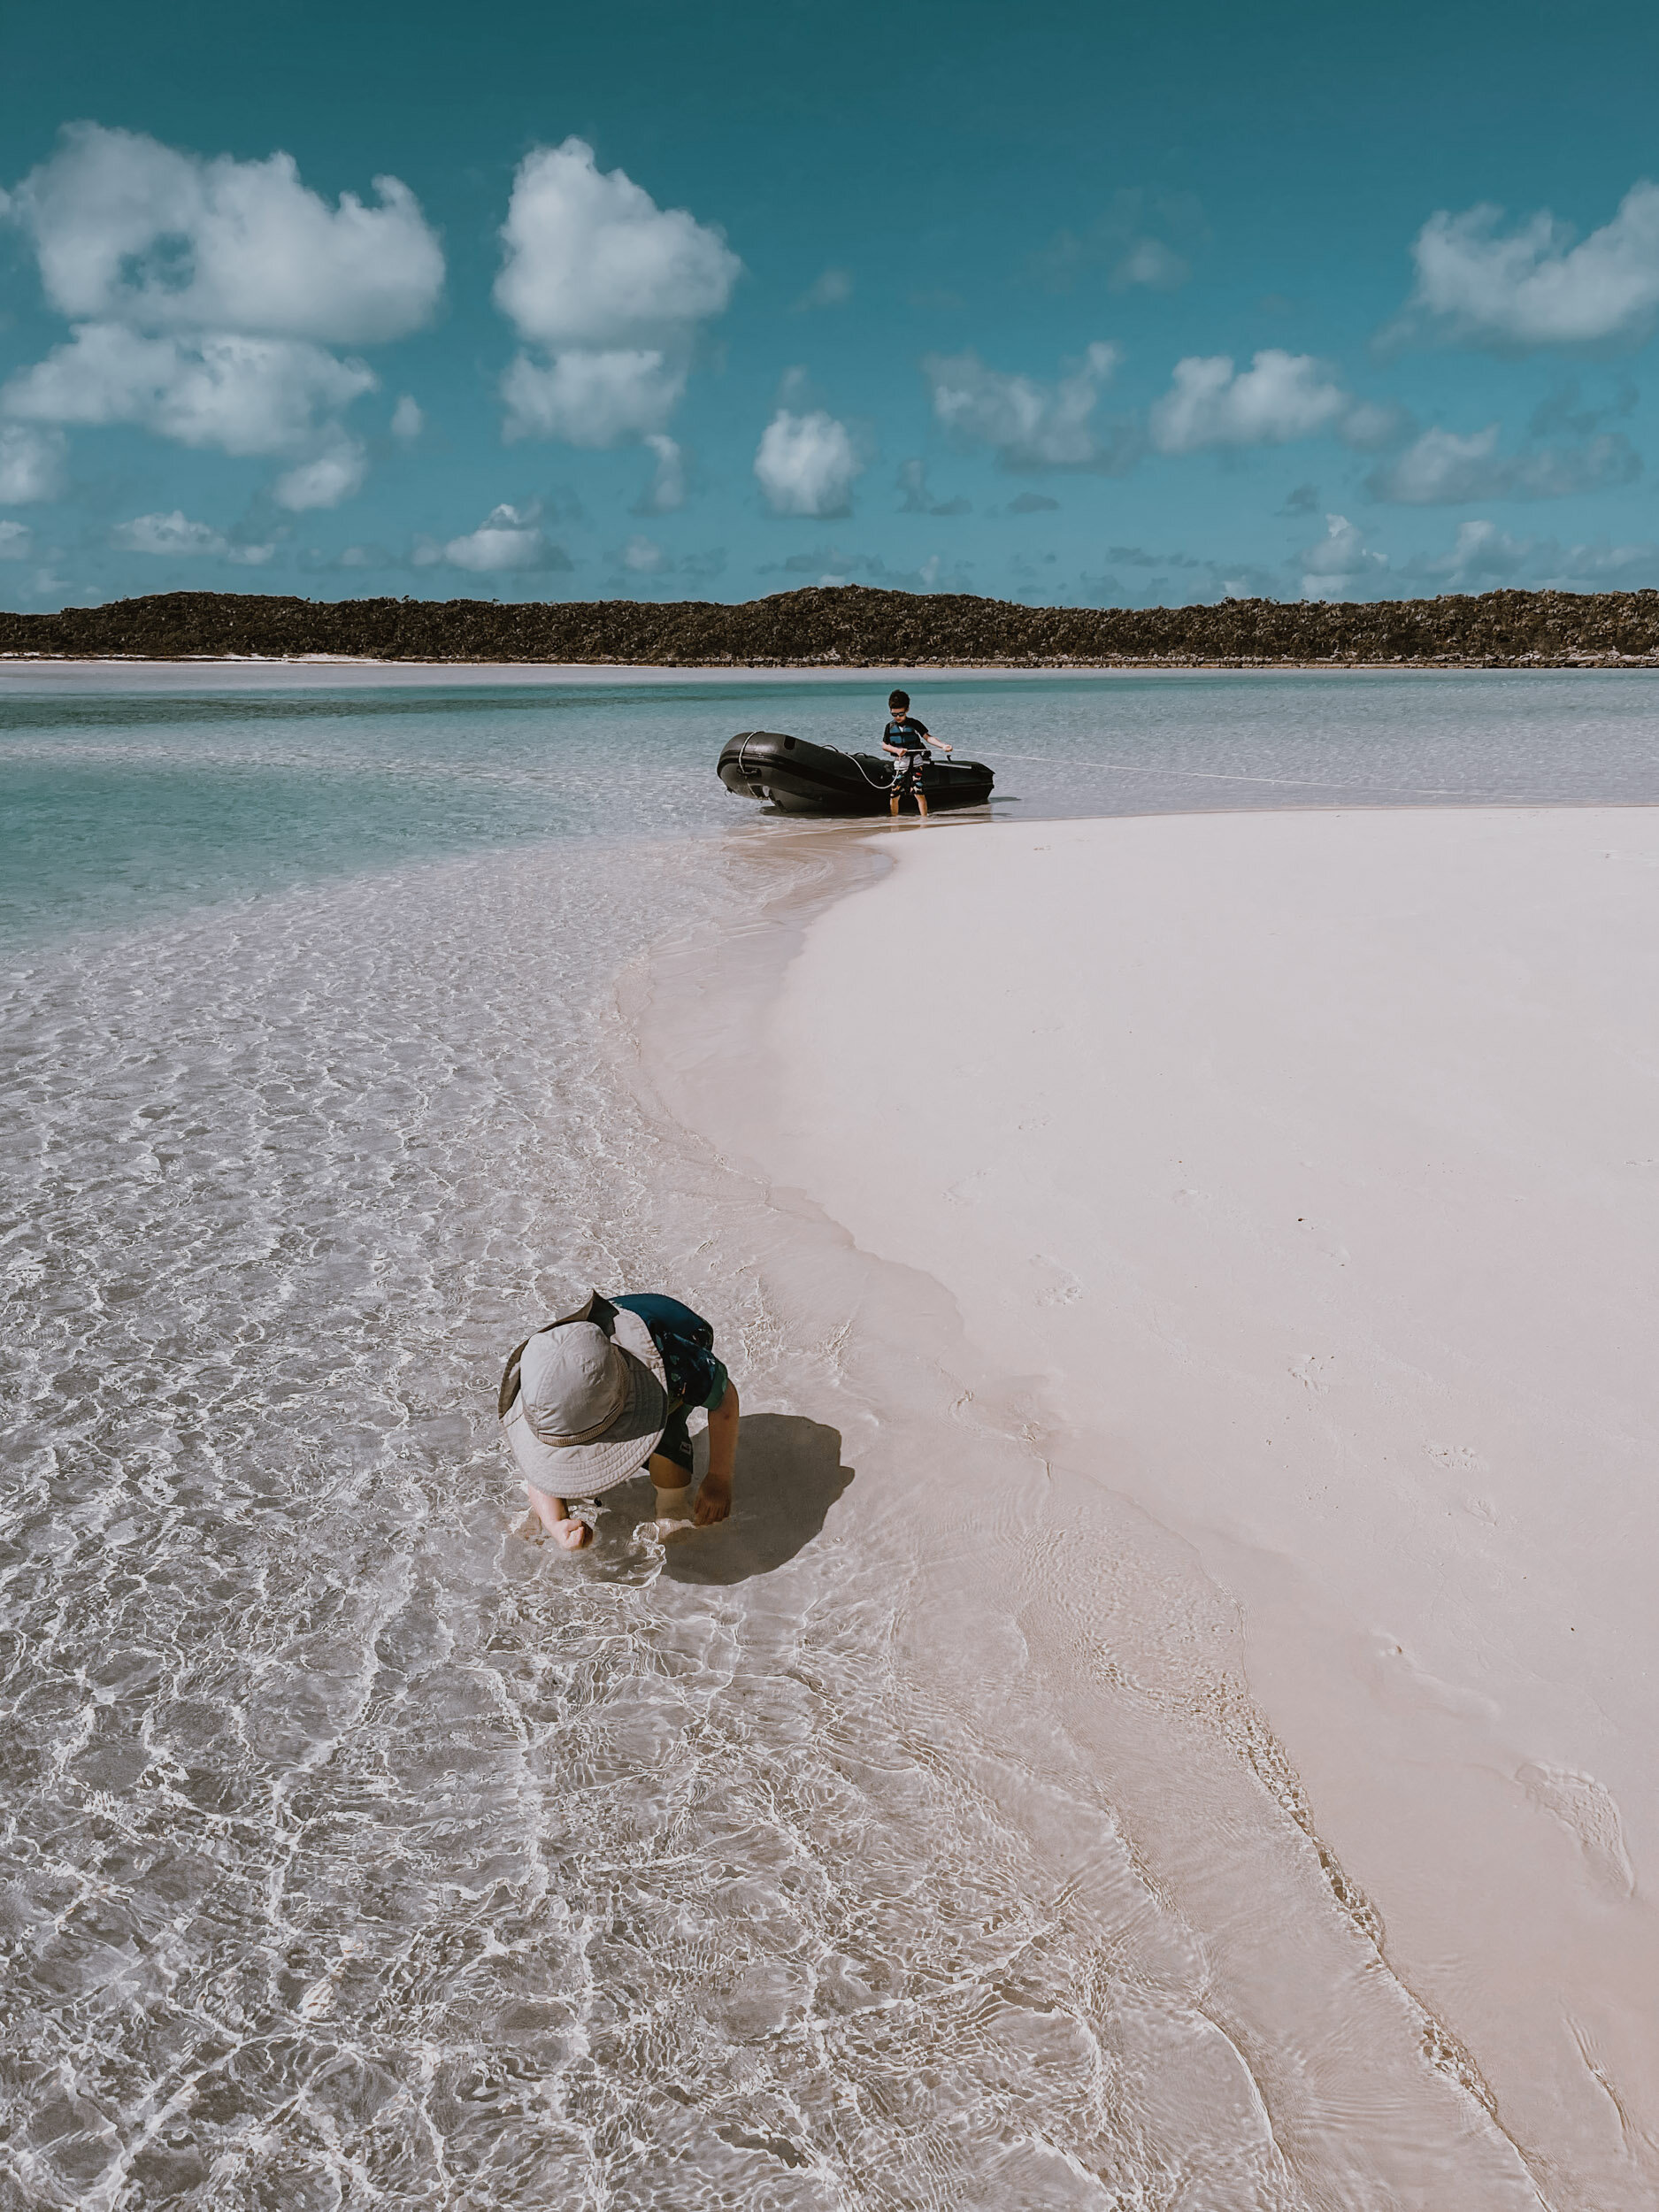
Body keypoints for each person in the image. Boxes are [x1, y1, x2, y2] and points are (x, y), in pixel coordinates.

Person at [499, 1290, 739, 1552]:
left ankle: (671, 1503)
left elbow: (725, 1400)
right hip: (604, 1352)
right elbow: (539, 1471)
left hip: (677, 1341)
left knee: (667, 1447)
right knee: (558, 1448)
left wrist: (719, 1477)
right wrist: (556, 1524)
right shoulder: (546, 1383)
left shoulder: (679, 1368)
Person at [881, 688, 953, 817]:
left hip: (916, 762)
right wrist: (896, 750)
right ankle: (894, 820)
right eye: (894, 714)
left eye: (901, 714)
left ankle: (924, 819)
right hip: (900, 763)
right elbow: (884, 745)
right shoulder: (889, 727)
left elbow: (928, 737)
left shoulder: (914, 724)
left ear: (907, 710)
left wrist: (943, 745)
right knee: (894, 793)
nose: (897, 717)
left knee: (918, 791)